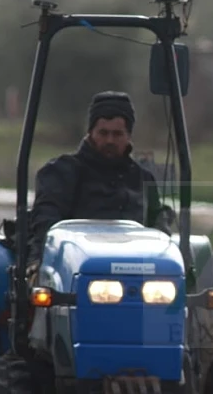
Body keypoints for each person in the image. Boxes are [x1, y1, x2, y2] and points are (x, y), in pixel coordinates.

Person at [26, 91, 173, 276]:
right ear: (90, 133)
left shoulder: (142, 179)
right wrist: (38, 260)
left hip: (135, 269)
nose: (110, 140)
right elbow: (46, 221)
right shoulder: (62, 172)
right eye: (103, 133)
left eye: (117, 134)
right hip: (75, 268)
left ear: (129, 136)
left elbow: (156, 227)